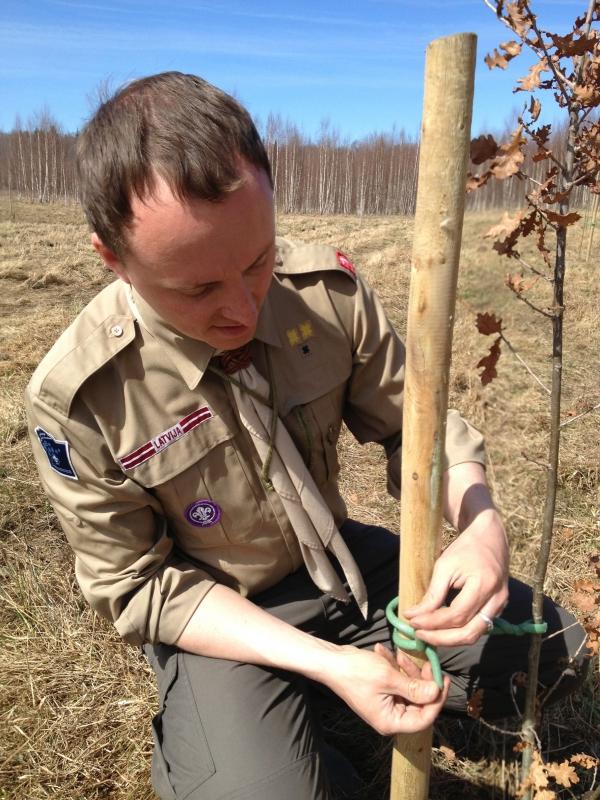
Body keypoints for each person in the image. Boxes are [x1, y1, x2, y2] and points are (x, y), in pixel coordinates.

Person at [25, 72, 588, 800]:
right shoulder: (84, 396)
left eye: (257, 261)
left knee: (554, 655)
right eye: (197, 289)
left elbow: (416, 428)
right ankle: (249, 723)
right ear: (114, 259)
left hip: (346, 572)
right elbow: (136, 584)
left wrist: (482, 524)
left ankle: (315, 691)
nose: (242, 307)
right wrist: (326, 664)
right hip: (225, 614)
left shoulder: (325, 295)